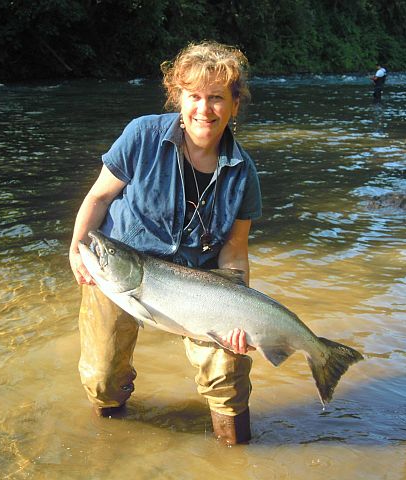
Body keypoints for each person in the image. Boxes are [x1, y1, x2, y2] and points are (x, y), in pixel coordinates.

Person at [68, 41, 262, 445]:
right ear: (179, 97)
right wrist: (76, 247)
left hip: (199, 284)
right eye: (194, 96)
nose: (203, 109)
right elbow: (99, 197)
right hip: (117, 270)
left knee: (228, 375)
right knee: (102, 379)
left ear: (234, 105)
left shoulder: (244, 173)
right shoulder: (141, 136)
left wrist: (238, 316)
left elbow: (234, 251)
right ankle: (110, 447)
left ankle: (237, 455)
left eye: (216, 98)